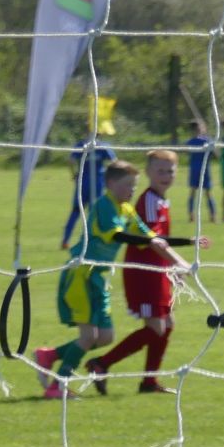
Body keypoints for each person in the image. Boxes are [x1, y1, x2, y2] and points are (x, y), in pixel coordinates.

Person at [32, 161, 196, 400]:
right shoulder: (104, 206)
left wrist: (184, 253)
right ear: (110, 184)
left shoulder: (127, 210)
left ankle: (49, 355)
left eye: (134, 186)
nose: (131, 191)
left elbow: (154, 240)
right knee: (88, 336)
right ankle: (58, 385)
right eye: (127, 185)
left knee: (105, 337)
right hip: (82, 276)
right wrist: (167, 253)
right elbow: (118, 235)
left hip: (100, 279)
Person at [84, 150, 212, 395]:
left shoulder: (162, 200)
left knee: (168, 323)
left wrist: (175, 261)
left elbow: (158, 241)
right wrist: (179, 262)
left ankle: (149, 381)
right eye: (160, 171)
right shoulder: (150, 200)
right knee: (156, 327)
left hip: (158, 270)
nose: (165, 176)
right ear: (149, 173)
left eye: (170, 171)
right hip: (144, 273)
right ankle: (101, 364)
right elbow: (154, 240)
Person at [61, 136, 115, 250]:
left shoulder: (81, 145)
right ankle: (92, 240)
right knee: (94, 213)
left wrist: (73, 174)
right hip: (97, 183)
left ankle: (65, 241)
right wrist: (108, 175)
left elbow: (70, 160)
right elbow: (114, 162)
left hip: (82, 182)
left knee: (76, 211)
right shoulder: (102, 146)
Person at [184, 120, 216, 223]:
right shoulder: (193, 141)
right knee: (193, 193)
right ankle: (191, 216)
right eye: (199, 127)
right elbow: (186, 150)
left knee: (208, 193)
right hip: (195, 170)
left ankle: (212, 216)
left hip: (204, 170)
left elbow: (214, 153)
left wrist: (211, 145)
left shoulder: (206, 141)